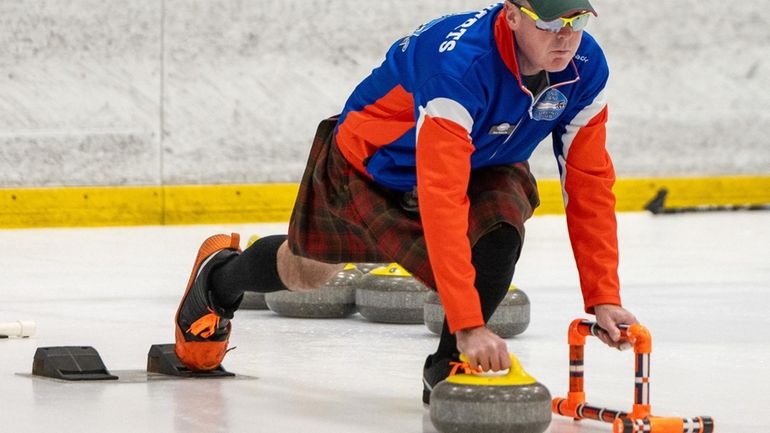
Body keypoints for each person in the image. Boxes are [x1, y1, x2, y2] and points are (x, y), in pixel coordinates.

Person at [173, 0, 638, 404]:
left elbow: (590, 183)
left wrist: (602, 297)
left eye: (578, 22)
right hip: (376, 163)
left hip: (486, 158)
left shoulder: (586, 68)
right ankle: (219, 279)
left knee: (501, 227)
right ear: (512, 16)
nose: (566, 38)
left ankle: (448, 366)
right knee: (306, 273)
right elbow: (442, 196)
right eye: (550, 24)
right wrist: (471, 322)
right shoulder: (459, 67)